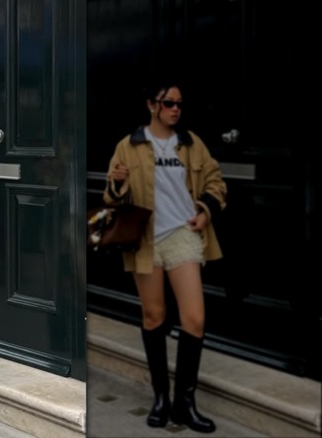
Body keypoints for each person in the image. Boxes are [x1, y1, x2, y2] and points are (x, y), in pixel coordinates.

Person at [103, 80, 226, 433]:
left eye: (179, 104)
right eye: (168, 102)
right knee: (154, 315)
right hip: (145, 239)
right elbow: (112, 200)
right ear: (151, 105)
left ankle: (185, 404)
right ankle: (161, 398)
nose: (175, 109)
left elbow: (216, 181)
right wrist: (117, 182)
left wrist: (205, 209)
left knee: (195, 319)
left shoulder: (190, 144)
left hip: (184, 235)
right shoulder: (129, 145)